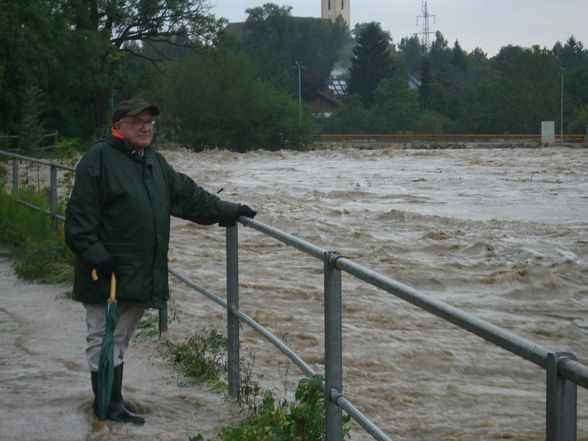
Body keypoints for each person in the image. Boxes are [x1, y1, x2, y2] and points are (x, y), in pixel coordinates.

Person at [64, 98, 256, 424]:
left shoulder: (152, 162)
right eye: (137, 121)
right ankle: (106, 408)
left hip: (139, 272)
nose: (145, 127)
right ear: (118, 125)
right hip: (107, 273)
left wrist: (228, 210)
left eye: (149, 121)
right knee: (103, 337)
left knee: (119, 339)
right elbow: (78, 223)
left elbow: (186, 196)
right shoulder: (98, 160)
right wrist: (98, 256)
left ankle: (113, 403)